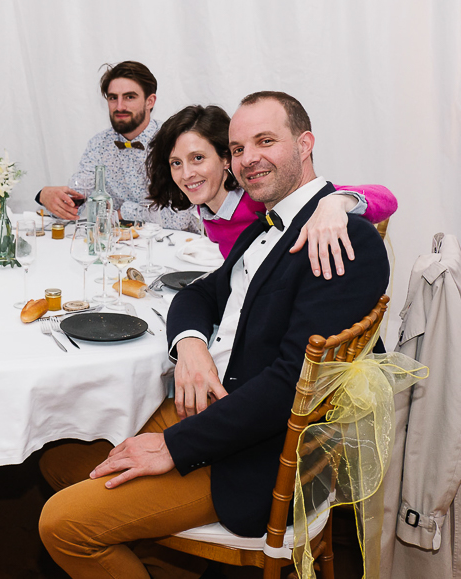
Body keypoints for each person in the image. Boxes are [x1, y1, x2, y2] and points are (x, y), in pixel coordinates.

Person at [38, 91, 390, 578]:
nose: (249, 159)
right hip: (215, 400)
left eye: (265, 141)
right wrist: (190, 345)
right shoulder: (268, 223)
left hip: (258, 452)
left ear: (304, 143)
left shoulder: (339, 238)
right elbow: (200, 294)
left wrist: (175, 446)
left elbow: (291, 385)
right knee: (60, 459)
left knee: (61, 525)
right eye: (240, 148)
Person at [146, 103, 398, 274]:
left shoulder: (262, 194)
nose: (186, 174)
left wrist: (335, 201)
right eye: (176, 163)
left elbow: (387, 198)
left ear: (226, 158)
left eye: (198, 158)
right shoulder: (208, 209)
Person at [34, 61, 199, 231]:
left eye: (129, 97)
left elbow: (179, 217)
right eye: (113, 98)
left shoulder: (173, 141)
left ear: (150, 101)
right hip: (119, 244)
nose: (119, 107)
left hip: (177, 243)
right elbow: (77, 200)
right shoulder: (98, 144)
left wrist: (121, 213)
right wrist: (47, 197)